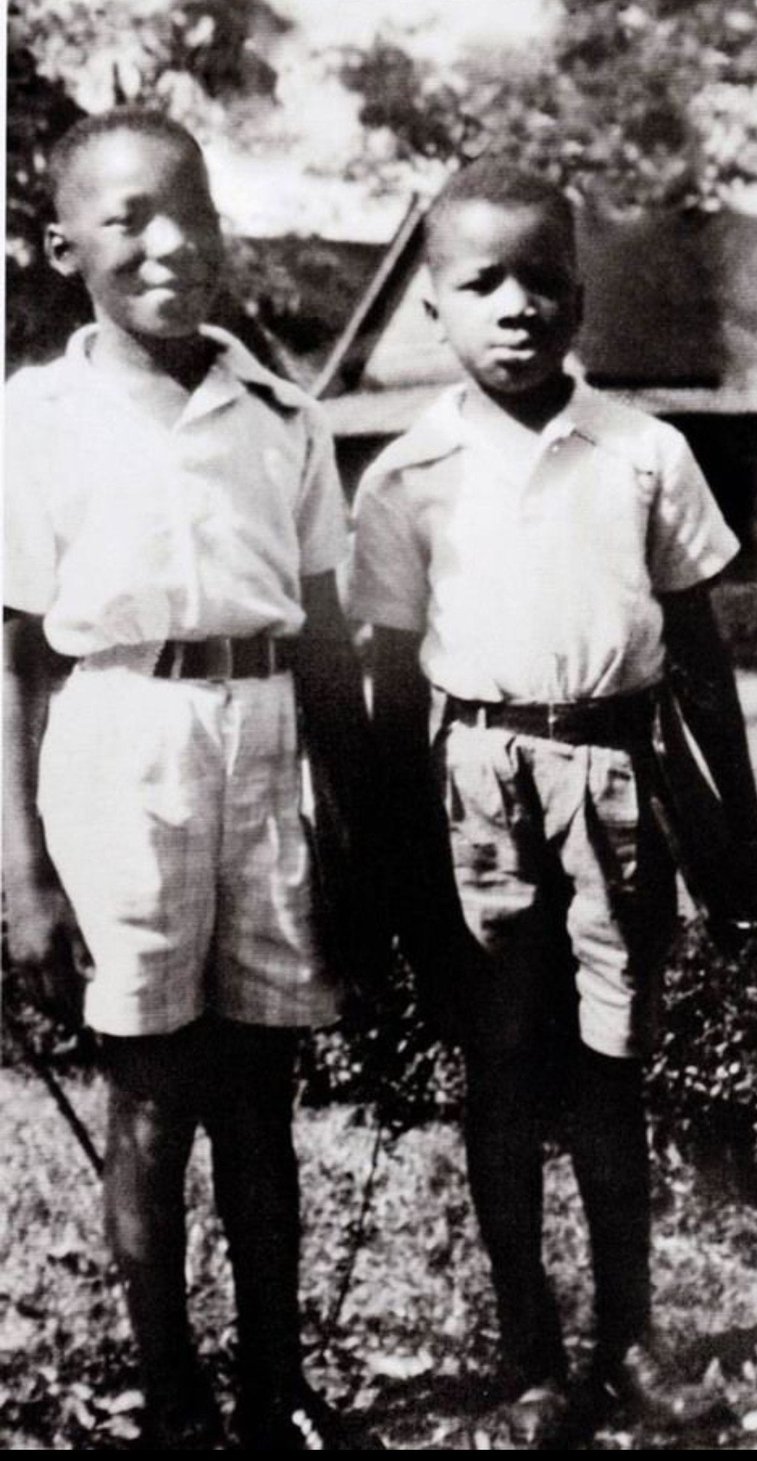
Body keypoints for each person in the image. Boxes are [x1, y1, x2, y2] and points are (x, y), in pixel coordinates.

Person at [348, 157, 757, 1443]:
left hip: (614, 784)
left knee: (610, 1068)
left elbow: (698, 662)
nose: (518, 305)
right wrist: (400, 868)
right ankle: (529, 1359)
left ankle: (628, 1341)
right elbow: (386, 692)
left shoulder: (645, 452)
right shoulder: (406, 475)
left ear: (582, 299)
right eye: (484, 282)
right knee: (503, 1069)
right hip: (475, 791)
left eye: (545, 280)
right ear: (432, 304)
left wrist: (742, 835)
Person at [4, 107, 383, 1451]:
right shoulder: (34, 421)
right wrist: (24, 876)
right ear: (64, 248)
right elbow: (12, 657)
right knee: (154, 1093)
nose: (170, 245)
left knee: (263, 1097)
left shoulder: (282, 413)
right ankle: (173, 1398)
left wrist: (360, 836)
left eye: (194, 214)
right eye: (129, 219)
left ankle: (276, 1389)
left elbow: (327, 647)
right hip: (123, 742)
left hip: (266, 743)